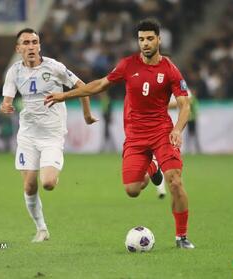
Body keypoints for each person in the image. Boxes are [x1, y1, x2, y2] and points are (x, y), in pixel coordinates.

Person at [45, 19, 195, 249]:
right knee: (132, 190)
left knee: (175, 181)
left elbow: (185, 104)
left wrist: (177, 129)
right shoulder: (128, 65)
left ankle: (181, 237)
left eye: (150, 38)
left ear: (159, 40)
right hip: (135, 137)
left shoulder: (170, 69)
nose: (145, 43)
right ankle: (152, 166)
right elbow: (99, 85)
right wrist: (64, 95)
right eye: (141, 39)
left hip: (162, 132)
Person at [0, 28, 98, 243]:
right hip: (27, 135)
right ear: (18, 49)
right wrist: (6, 106)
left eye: (34, 42)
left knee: (48, 183)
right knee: (29, 185)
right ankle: (41, 229)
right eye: (26, 43)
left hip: (52, 135)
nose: (31, 46)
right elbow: (7, 99)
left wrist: (87, 115)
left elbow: (83, 87)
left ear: (40, 46)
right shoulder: (14, 72)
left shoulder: (54, 67)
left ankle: (52, 170)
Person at [169, 89, 201, 153]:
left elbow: (189, 100)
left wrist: (168, 105)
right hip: (161, 118)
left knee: (176, 141)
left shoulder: (178, 83)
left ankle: (192, 150)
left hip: (176, 118)